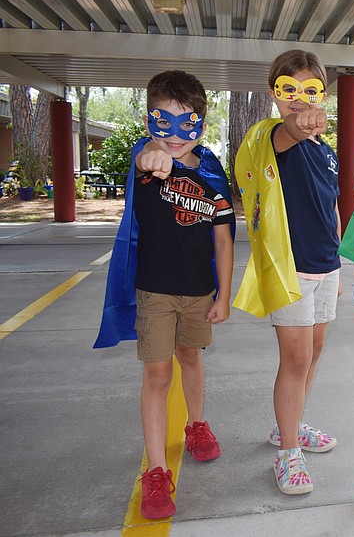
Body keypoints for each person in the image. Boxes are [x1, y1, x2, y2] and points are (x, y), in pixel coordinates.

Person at [94, 70, 235, 519]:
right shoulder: (146, 156)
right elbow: (147, 156)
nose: (175, 135)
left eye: (186, 123)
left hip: (199, 291)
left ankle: (196, 425)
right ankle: (156, 470)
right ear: (147, 121)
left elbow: (224, 239)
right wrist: (153, 153)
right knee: (156, 376)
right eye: (163, 122)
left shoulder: (213, 173)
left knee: (191, 358)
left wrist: (224, 295)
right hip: (155, 291)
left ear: (202, 126)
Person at [232, 50, 342, 496]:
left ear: (324, 93)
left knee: (312, 356)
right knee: (294, 360)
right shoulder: (277, 138)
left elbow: (331, 205)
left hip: (326, 266)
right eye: (288, 90)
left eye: (310, 90)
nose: (300, 99)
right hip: (290, 269)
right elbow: (293, 130)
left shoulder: (327, 153)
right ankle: (288, 454)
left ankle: (288, 427)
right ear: (273, 94)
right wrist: (302, 122)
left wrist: (339, 263)